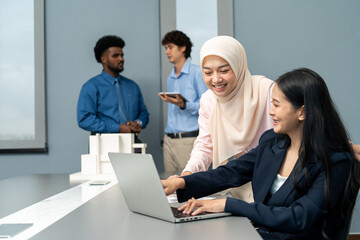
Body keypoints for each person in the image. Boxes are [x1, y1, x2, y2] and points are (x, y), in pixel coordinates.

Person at [162, 68, 360, 239]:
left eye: (276, 104)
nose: (270, 112)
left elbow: (298, 218)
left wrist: (229, 205)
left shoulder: (335, 161)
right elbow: (230, 172)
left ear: (302, 112)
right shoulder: (271, 142)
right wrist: (180, 182)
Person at [180, 36, 274, 202]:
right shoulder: (209, 100)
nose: (216, 79)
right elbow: (205, 145)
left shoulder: (267, 90)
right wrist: (187, 176)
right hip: (238, 187)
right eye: (208, 72)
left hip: (273, 185)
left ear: (238, 66)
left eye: (224, 71)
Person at [77, 35, 149, 140]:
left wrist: (138, 123)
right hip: (104, 144)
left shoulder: (133, 86)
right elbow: (84, 119)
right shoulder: (91, 87)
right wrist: (117, 128)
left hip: (132, 142)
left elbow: (143, 113)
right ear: (103, 59)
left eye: (122, 55)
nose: (121, 59)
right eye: (115, 56)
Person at [158, 30, 208, 172]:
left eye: (170, 47)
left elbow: (207, 107)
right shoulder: (170, 78)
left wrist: (184, 104)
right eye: (166, 48)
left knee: (190, 186)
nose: (167, 51)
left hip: (188, 140)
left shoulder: (197, 73)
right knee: (171, 185)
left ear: (183, 48)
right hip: (168, 140)